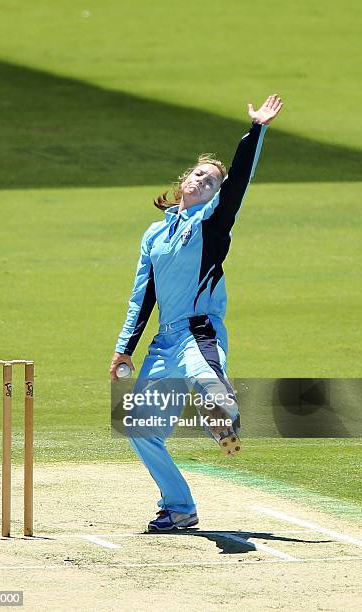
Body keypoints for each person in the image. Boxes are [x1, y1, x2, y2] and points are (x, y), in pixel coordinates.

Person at [110, 94, 283, 532]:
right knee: (141, 429)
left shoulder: (213, 224)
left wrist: (256, 130)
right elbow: (141, 296)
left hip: (198, 333)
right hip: (165, 341)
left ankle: (221, 413)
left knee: (209, 381)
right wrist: (123, 349)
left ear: (216, 195)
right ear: (184, 179)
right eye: (200, 174)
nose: (203, 181)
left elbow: (240, 178)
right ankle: (180, 508)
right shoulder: (155, 234)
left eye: (212, 182)